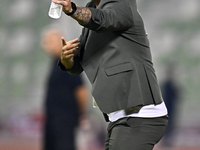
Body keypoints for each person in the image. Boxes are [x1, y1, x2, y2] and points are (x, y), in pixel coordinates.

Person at [53, 0, 168, 149]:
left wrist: (72, 9)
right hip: (122, 118)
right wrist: (67, 60)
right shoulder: (93, 9)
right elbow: (78, 64)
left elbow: (102, 19)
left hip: (140, 116)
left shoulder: (122, 4)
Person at [41, 28, 88, 150]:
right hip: (52, 118)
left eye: (49, 41)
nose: (45, 45)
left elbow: (81, 90)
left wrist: (81, 114)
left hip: (65, 119)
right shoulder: (55, 62)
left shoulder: (67, 62)